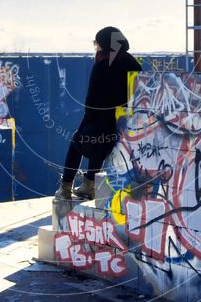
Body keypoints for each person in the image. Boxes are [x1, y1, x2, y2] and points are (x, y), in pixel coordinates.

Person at [55, 26, 142, 200]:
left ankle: (66, 188)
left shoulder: (102, 64)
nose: (96, 48)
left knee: (76, 143)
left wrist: (88, 120)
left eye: (97, 44)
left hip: (101, 117)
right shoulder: (132, 63)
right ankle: (89, 185)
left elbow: (92, 98)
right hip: (125, 122)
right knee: (98, 148)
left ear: (104, 44)